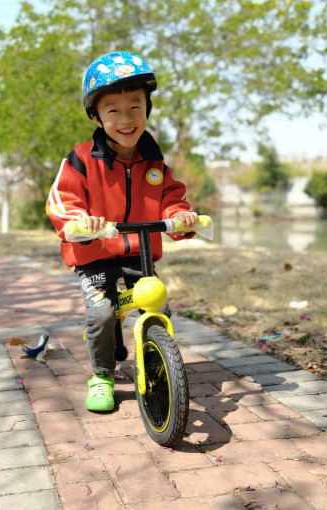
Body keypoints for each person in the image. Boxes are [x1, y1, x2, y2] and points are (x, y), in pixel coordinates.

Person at [46, 51, 199, 412]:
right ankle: (101, 375)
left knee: (157, 302)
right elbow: (62, 200)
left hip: (139, 252)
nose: (126, 119)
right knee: (101, 314)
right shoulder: (82, 159)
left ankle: (158, 359)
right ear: (96, 116)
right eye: (113, 111)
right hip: (96, 255)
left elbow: (171, 199)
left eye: (135, 107)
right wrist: (81, 222)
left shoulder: (155, 163)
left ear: (147, 109)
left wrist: (181, 217)